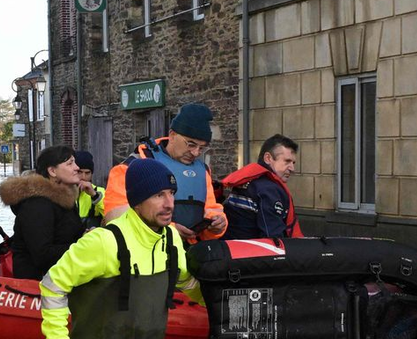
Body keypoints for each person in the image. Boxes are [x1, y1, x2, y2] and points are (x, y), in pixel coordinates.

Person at [41, 157, 203, 339]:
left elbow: (189, 283)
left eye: (171, 193)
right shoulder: (104, 242)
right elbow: (53, 284)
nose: (169, 203)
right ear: (137, 202)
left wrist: (223, 308)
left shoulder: (171, 238)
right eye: (159, 195)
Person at [102, 102, 227, 243]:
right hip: (147, 255)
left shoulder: (202, 171)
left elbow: (211, 209)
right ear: (172, 135)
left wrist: (217, 224)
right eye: (191, 144)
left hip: (190, 255)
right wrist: (170, 230)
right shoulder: (132, 166)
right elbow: (116, 218)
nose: (196, 152)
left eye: (202, 148)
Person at [0, 145, 84, 280]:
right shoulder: (37, 205)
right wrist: (84, 246)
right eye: (70, 163)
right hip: (38, 287)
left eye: (75, 162)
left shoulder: (65, 200)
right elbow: (42, 255)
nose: (77, 167)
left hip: (62, 279)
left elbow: (66, 235)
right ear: (52, 171)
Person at [221, 134, 303, 239]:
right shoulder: (268, 189)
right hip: (250, 251)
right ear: (268, 158)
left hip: (229, 247)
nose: (292, 168)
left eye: (293, 162)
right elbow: (273, 238)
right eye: (287, 161)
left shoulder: (248, 181)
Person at [74, 149, 105, 231]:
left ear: (91, 174)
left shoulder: (100, 191)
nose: (83, 177)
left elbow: (111, 215)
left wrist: (95, 196)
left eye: (87, 173)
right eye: (80, 172)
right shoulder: (65, 191)